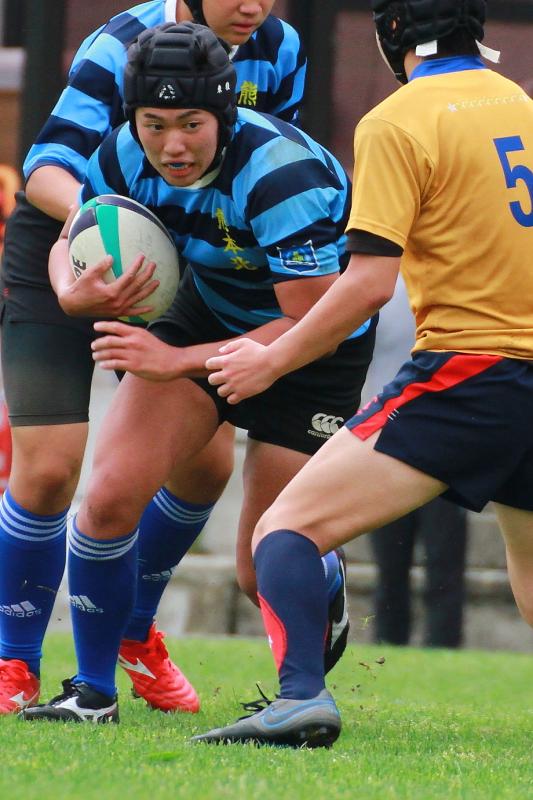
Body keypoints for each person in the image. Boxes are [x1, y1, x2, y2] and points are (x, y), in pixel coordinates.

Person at [193, 0, 533, 748]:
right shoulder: (518, 102)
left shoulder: (397, 120)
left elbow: (368, 283)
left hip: (470, 368)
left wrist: (272, 357)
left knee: (284, 530)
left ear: (390, 34)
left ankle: (300, 699)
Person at [20, 21, 375, 724]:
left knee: (263, 560)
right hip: (207, 312)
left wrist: (175, 361)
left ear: (224, 113)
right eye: (154, 125)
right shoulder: (122, 153)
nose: (172, 146)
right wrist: (69, 290)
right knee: (108, 499)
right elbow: (70, 236)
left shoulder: (279, 175)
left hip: (312, 346)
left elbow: (310, 321)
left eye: (191, 124)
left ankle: (315, 602)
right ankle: (92, 693)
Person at [363, 279, 468, 648]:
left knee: (444, 559)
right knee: (390, 562)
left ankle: (444, 647)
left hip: (446, 439)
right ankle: (388, 646)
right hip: (383, 440)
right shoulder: (378, 286)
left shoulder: (455, 283)